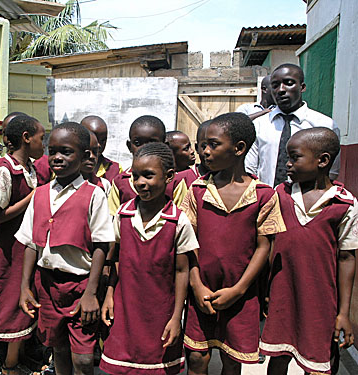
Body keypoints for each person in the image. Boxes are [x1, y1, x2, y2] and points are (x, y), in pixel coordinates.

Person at [180, 113, 286, 375]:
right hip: (201, 292)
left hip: (242, 295)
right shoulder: (197, 190)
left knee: (231, 360)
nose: (204, 151)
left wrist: (238, 290)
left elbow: (264, 247)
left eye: (213, 144)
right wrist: (196, 285)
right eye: (202, 145)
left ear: (239, 149)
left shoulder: (263, 195)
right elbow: (186, 243)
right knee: (197, 359)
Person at [17, 122, 114, 375]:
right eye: (53, 150)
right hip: (47, 284)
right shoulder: (40, 194)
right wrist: (25, 286)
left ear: (84, 156)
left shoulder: (94, 194)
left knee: (82, 359)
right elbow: (30, 242)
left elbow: (102, 246)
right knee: (57, 348)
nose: (58, 157)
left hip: (81, 286)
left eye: (67, 152)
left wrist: (91, 293)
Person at [260, 128, 358, 375]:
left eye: (295, 157)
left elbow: (347, 258)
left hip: (322, 302)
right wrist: (266, 288)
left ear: (323, 160)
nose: (288, 164)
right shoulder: (280, 195)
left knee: (318, 362)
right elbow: (268, 246)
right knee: (278, 357)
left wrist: (343, 313)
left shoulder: (344, 204)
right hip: (282, 295)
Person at [99, 142, 197, 375]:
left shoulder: (177, 221)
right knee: (122, 364)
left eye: (149, 175)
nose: (141, 183)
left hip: (160, 310)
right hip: (126, 306)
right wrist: (110, 295)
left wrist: (176, 317)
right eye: (136, 176)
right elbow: (115, 260)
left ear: (169, 176)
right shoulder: (123, 214)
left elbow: (182, 271)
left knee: (158, 365)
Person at [0, 115, 45, 375]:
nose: (44, 144)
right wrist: (34, 196)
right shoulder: (4, 169)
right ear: (26, 138)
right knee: (10, 305)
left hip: (24, 249)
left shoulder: (30, 168)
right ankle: (10, 365)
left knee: (24, 300)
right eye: (42, 138)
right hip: (8, 250)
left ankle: (18, 357)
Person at [245, 63, 340, 187]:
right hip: (267, 201)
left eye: (289, 83)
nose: (281, 90)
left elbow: (331, 172)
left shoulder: (324, 125)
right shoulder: (258, 125)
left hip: (307, 202)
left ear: (302, 87)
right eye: (275, 85)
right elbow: (250, 169)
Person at [107, 115, 167, 216]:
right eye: (138, 143)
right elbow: (112, 218)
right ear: (129, 146)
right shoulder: (120, 182)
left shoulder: (173, 181)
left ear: (165, 146)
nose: (145, 149)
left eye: (152, 143)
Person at [80, 115, 122, 182]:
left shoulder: (115, 169)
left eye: (102, 140)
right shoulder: (68, 167)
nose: (98, 145)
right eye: (94, 139)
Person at [165, 130, 198, 207]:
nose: (192, 151)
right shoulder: (167, 181)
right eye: (186, 149)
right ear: (171, 153)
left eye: (190, 146)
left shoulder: (194, 175)